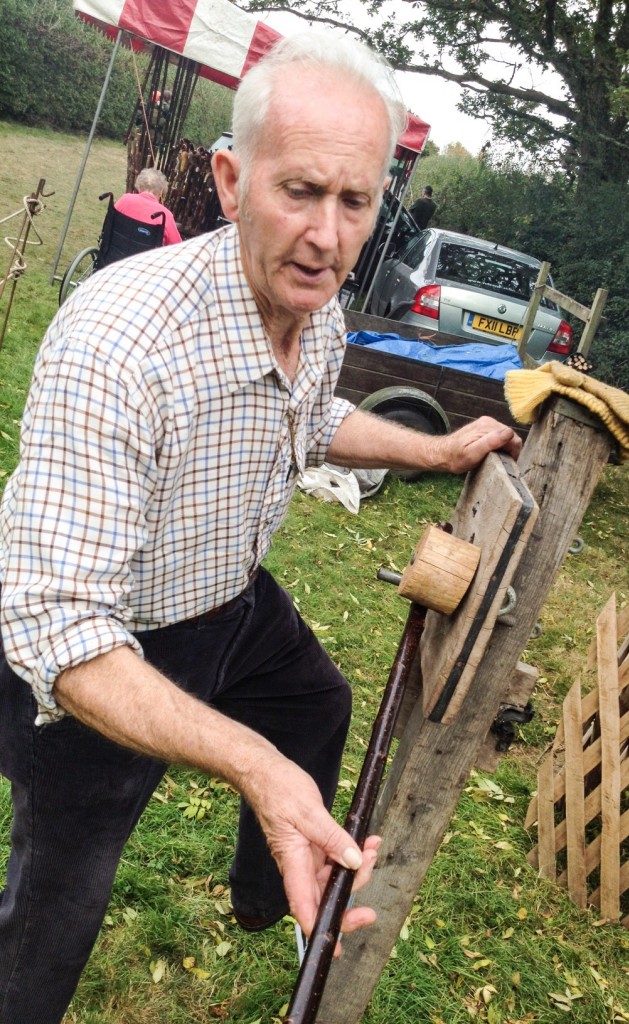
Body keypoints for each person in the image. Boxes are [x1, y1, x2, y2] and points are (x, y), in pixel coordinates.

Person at [0, 31, 521, 1023]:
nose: (326, 236)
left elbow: (310, 410)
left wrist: (434, 451)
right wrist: (255, 765)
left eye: (355, 201)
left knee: (317, 703)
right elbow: (61, 633)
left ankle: (262, 888)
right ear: (233, 182)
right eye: (299, 192)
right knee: (59, 905)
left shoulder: (314, 306)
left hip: (230, 602)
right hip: (108, 649)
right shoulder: (124, 347)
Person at [114, 166, 183, 246]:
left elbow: (110, 225)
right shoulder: (165, 215)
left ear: (139, 187)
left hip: (116, 254)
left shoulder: (124, 200)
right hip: (147, 258)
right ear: (161, 192)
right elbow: (177, 246)